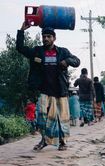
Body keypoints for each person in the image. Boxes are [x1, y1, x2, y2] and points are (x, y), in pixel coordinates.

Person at [17, 22, 80, 151]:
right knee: (42, 118)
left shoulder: (62, 52)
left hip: (60, 91)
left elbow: (76, 61)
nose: (46, 38)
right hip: (43, 91)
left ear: (54, 38)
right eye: (44, 36)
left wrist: (67, 61)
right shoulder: (37, 51)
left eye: (49, 36)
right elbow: (20, 48)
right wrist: (21, 31)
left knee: (61, 119)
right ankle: (44, 140)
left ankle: (62, 142)